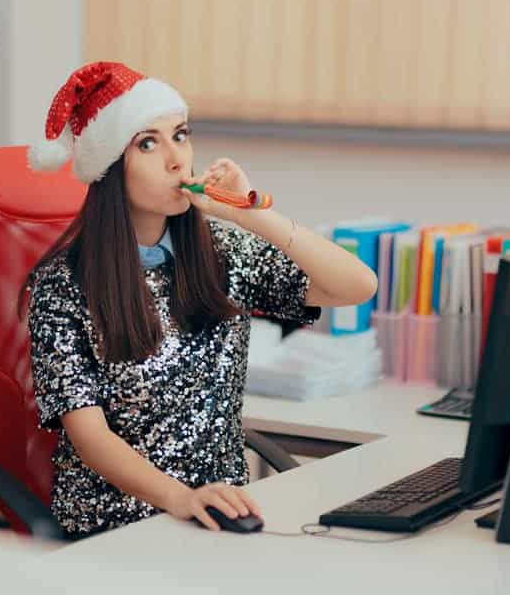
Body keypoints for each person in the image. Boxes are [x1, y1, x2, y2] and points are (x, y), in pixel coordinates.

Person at [23, 61, 377, 539]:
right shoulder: (63, 284)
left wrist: (251, 213)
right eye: (148, 142)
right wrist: (180, 498)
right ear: (108, 166)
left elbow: (357, 286)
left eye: (181, 135)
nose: (176, 159)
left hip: (220, 517)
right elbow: (90, 438)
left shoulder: (220, 253)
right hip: (115, 527)